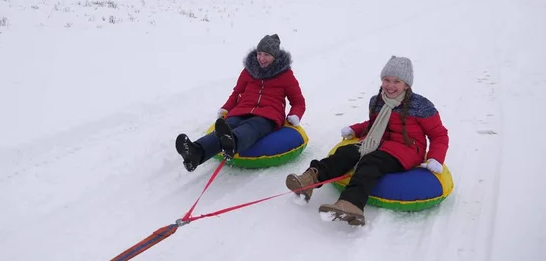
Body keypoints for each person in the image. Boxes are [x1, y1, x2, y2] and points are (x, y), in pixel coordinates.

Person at [285, 56, 449, 226]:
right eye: (386, 80)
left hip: (406, 150)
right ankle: (310, 179)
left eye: (396, 81)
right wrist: (355, 129)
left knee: (370, 162)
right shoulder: (377, 101)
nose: (390, 86)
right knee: (346, 153)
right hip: (377, 142)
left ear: (406, 84)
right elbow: (373, 125)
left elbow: (439, 134)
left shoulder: (421, 106)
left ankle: (352, 204)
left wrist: (436, 157)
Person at [175, 34, 306, 172]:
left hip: (268, 115)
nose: (261, 58)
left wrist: (294, 115)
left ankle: (233, 143)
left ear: (275, 56)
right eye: (259, 53)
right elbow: (236, 93)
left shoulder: (286, 76)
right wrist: (226, 108)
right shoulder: (248, 72)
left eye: (266, 54)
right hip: (242, 109)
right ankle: (196, 152)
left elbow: (299, 102)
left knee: (252, 127)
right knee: (228, 126)